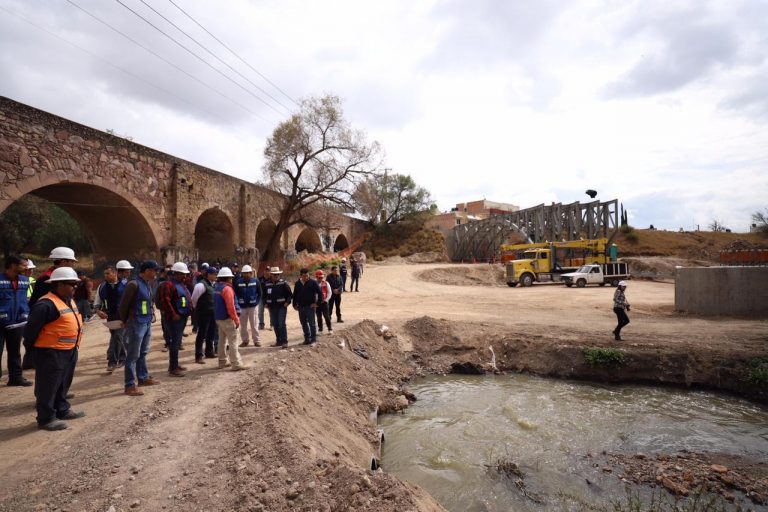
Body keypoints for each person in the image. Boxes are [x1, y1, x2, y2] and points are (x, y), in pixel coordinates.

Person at [23, 267, 85, 430]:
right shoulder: (45, 304)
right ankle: (46, 418)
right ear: (59, 284)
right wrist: (33, 351)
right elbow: (30, 332)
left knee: (63, 383)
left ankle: (62, 409)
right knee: (48, 386)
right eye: (72, 284)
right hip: (50, 352)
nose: (75, 287)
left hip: (69, 350)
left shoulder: (68, 300)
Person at [118, 260, 160, 396]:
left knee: (143, 352)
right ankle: (129, 385)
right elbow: (123, 305)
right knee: (133, 355)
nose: (156, 273)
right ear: (147, 270)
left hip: (146, 322)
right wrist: (124, 321)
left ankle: (143, 378)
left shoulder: (147, 284)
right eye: (155, 270)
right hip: (135, 323)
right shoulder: (133, 285)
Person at [1, 255, 32, 386]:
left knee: (15, 351)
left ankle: (15, 378)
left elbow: (24, 299)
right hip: (1, 322)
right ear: (13, 265)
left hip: (18, 322)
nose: (26, 267)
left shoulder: (25, 280)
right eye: (23, 265)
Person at [157, 262, 191, 377]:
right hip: (174, 318)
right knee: (174, 343)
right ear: (176, 274)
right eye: (183, 274)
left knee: (177, 342)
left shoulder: (181, 284)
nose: (185, 277)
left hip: (182, 317)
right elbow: (165, 301)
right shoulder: (168, 285)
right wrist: (173, 314)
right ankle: (173, 368)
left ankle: (175, 364)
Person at [94, 264, 128, 372]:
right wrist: (98, 311)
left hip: (123, 315)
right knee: (116, 337)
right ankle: (123, 358)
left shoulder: (126, 284)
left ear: (115, 273)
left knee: (117, 337)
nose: (106, 275)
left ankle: (112, 362)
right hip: (111, 316)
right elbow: (97, 301)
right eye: (105, 274)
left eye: (108, 273)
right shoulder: (102, 286)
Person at [213, 267, 249, 370]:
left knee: (222, 341)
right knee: (233, 341)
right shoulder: (227, 289)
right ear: (228, 278)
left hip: (219, 318)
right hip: (227, 319)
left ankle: (222, 361)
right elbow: (230, 306)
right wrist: (236, 319)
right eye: (231, 278)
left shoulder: (217, 288)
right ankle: (236, 364)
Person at [191, 266, 219, 363]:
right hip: (203, 313)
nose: (216, 276)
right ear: (209, 275)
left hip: (213, 313)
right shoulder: (200, 285)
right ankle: (198, 356)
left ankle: (209, 351)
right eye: (214, 274)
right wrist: (198, 309)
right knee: (202, 334)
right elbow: (194, 299)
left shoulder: (214, 284)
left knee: (211, 333)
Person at [264, 267, 292, 348]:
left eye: (278, 274)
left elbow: (290, 295)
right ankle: (279, 341)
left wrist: (287, 303)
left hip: (281, 307)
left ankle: (284, 342)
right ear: (271, 275)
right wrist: (265, 302)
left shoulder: (283, 283)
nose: (276, 276)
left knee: (281, 324)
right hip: (272, 308)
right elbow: (264, 295)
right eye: (275, 274)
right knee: (275, 324)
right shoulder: (267, 284)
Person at [293, 268, 321, 345]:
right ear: (301, 276)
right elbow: (295, 294)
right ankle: (307, 339)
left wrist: (317, 303)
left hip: (310, 307)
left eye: (307, 276)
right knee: (303, 323)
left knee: (312, 323)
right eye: (304, 276)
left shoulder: (313, 283)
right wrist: (294, 304)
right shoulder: (297, 283)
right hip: (300, 307)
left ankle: (313, 340)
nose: (306, 277)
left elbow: (320, 293)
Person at [235, 264, 261, 347]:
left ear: (251, 273)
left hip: (253, 307)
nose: (246, 274)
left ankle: (256, 340)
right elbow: (235, 294)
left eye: (248, 273)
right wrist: (238, 303)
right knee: (243, 325)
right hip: (242, 307)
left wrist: (256, 302)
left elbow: (260, 293)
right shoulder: (238, 282)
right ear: (242, 273)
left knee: (254, 324)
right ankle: (245, 341)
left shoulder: (255, 281)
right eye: (245, 273)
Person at [314, 270, 333, 335]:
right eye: (319, 277)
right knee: (319, 317)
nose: (321, 279)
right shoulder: (313, 284)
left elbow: (329, 292)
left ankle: (330, 329)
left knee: (326, 316)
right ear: (316, 277)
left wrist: (326, 300)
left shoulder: (326, 283)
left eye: (321, 277)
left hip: (324, 302)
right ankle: (320, 330)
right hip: (317, 303)